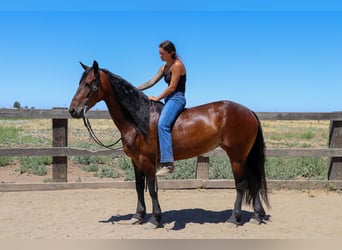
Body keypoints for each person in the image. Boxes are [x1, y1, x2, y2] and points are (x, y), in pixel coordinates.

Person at [138, 40, 186, 176]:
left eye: (162, 53)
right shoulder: (163, 68)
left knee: (163, 124)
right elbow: (151, 82)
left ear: (171, 53)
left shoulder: (177, 66)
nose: (160, 56)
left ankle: (168, 164)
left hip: (177, 98)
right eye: (159, 53)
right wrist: (135, 89)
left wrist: (157, 98)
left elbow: (172, 88)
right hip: (169, 99)